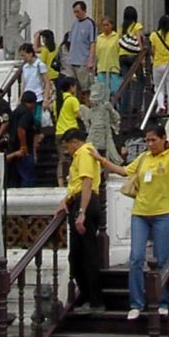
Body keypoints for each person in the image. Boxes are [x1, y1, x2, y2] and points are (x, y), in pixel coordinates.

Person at [94, 125, 169, 320]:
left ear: (162, 139)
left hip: (163, 213)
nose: (150, 144)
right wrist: (101, 160)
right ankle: (136, 302)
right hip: (140, 213)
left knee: (161, 259)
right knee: (136, 257)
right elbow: (123, 171)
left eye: (154, 140)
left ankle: (161, 300)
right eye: (147, 140)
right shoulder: (144, 158)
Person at [55, 128, 104, 314]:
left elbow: (86, 183)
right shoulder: (81, 155)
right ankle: (86, 295)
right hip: (79, 201)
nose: (68, 151)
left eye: (68, 146)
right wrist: (66, 199)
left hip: (86, 202)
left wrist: (82, 212)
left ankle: (95, 300)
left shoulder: (84, 154)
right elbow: (77, 185)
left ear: (75, 142)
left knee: (87, 254)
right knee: (77, 255)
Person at [149, 14, 169, 115]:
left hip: (158, 64)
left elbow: (152, 51)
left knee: (158, 87)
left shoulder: (154, 35)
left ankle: (161, 105)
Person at [6, 91, 37, 187]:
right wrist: (24, 146)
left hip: (13, 147)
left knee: (16, 177)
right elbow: (21, 129)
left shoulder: (16, 111)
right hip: (22, 149)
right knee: (27, 177)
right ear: (32, 102)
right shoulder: (27, 112)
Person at [55, 77, 81, 187]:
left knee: (62, 159)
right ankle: (73, 179)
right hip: (71, 132)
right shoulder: (72, 100)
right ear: (71, 87)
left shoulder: (58, 100)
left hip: (59, 132)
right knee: (75, 157)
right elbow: (78, 115)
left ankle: (61, 182)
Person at [118, 6, 145, 113]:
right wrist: (142, 52)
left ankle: (124, 108)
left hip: (122, 57)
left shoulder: (122, 27)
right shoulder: (137, 25)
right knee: (141, 80)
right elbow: (139, 40)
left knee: (126, 82)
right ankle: (136, 105)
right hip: (133, 56)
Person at [68, 0, 97, 99]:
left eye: (78, 11)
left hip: (83, 61)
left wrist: (91, 60)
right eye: (74, 12)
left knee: (86, 88)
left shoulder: (90, 24)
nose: (76, 14)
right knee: (73, 88)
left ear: (84, 11)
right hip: (73, 60)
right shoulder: (74, 25)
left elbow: (93, 42)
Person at [18, 43, 52, 126]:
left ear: (30, 53)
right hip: (26, 97)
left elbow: (47, 82)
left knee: (37, 120)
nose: (23, 58)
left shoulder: (40, 65)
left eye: (24, 55)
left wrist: (46, 99)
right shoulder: (25, 67)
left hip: (38, 97)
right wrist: (20, 97)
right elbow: (24, 83)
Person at [95, 16, 121, 97]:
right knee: (102, 91)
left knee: (114, 90)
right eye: (103, 25)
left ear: (111, 25)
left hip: (114, 67)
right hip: (102, 67)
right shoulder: (99, 38)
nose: (105, 27)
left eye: (107, 25)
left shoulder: (117, 37)